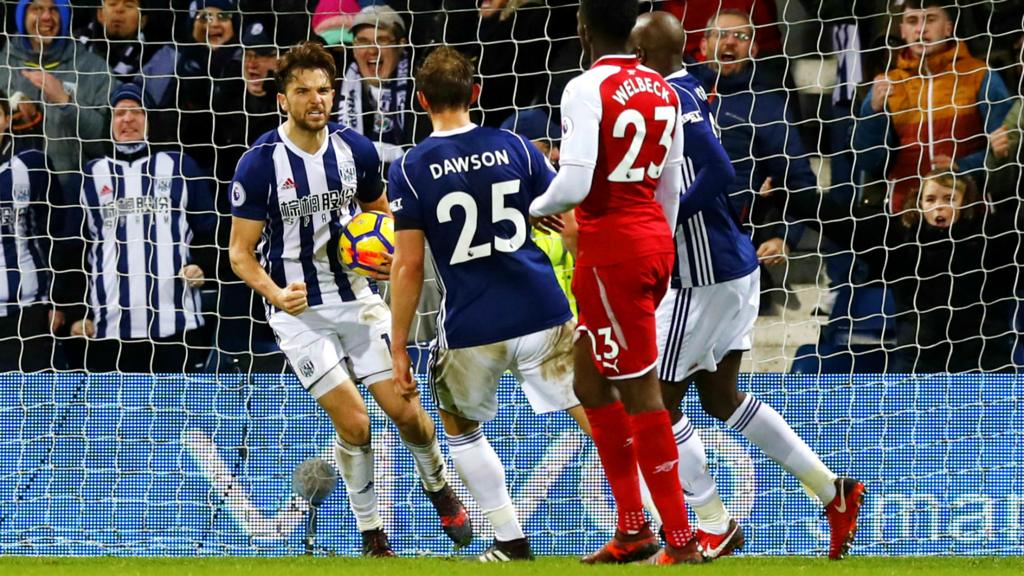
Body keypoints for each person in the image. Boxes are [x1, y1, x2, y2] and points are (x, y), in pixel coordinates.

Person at [630, 12, 866, 561]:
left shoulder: (672, 96)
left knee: (654, 404)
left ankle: (713, 522)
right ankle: (834, 491)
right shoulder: (689, 89)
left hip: (702, 272)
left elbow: (719, 172)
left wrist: (661, 220)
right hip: (728, 265)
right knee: (719, 397)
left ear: (647, 53)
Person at [227, 41, 470, 557]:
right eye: (303, 91)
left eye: (323, 90)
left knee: (406, 415)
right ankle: (372, 534)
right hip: (299, 314)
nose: (316, 100)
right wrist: (275, 292)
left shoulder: (354, 150)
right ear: (282, 100)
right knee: (356, 424)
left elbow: (383, 218)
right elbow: (240, 254)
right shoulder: (258, 165)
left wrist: (386, 255)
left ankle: (438, 484)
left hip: (356, 298)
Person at [388, 47, 586, 562]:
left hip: (473, 323)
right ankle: (655, 522)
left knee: (457, 425)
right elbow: (569, 220)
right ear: (476, 93)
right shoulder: (519, 147)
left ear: (420, 100)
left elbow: (407, 266)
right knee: (597, 415)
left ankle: (509, 539)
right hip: (543, 308)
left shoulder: (409, 168)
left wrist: (398, 346)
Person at [528, 0, 700, 565]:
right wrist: (659, 240)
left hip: (612, 251)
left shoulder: (584, 87)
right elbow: (672, 178)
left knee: (639, 391)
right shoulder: (660, 85)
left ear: (583, 28)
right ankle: (632, 529)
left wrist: (533, 205)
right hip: (650, 237)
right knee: (590, 384)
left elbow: (573, 183)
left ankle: (681, 538)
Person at [66, 83, 215, 373]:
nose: (128, 119)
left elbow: (211, 232)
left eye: (137, 111)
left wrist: (203, 266)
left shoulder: (180, 167)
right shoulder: (88, 176)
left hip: (178, 324)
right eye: (120, 113)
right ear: (110, 122)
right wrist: (76, 312)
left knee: (177, 415)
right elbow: (71, 252)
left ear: (150, 120)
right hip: (108, 328)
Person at [689, 9, 815, 313]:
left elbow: (798, 179)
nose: (730, 42)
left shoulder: (767, 105)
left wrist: (783, 237)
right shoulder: (677, 91)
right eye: (721, 34)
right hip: (671, 233)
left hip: (733, 240)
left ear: (754, 49)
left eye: (741, 36)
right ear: (703, 45)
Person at [855, 0, 1011, 213]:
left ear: (949, 28)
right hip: (905, 214)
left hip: (970, 210)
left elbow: (1009, 147)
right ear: (902, 30)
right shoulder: (886, 85)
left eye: (930, 19)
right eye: (912, 21)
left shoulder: (980, 75)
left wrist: (962, 167)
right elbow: (867, 161)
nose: (920, 29)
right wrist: (872, 112)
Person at [0, 0, 118, 187]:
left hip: (75, 194)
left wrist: (66, 102)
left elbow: (110, 144)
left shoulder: (94, 69)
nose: (46, 17)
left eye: (54, 9)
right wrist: (12, 116)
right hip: (10, 195)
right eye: (37, 9)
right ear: (21, 16)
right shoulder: (2, 67)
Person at [0, 88, 71, 372]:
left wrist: (59, 300)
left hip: (28, 312)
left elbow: (56, 233)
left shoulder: (31, 166)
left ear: (6, 119)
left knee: (31, 407)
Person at [334, 5, 414, 164]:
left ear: (401, 45)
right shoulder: (334, 91)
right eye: (363, 41)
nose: (372, 50)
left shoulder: (419, 90)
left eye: (382, 40)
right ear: (354, 48)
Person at [75, 0, 155, 82]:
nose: (119, 9)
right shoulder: (72, 44)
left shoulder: (153, 59)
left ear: (142, 21)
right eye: (112, 4)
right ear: (100, 14)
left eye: (129, 5)